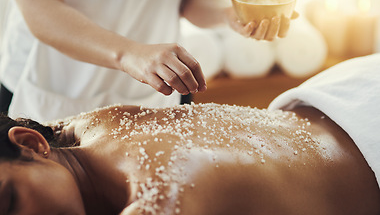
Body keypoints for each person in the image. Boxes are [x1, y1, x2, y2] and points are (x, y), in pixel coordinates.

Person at [0, 54, 380, 215]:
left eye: (12, 202)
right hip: (345, 91)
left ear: (32, 145)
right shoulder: (89, 126)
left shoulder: (161, 199)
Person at [0, 0, 296, 122]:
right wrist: (129, 53)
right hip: (50, 86)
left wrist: (227, 14)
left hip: (153, 89)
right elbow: (38, 2)